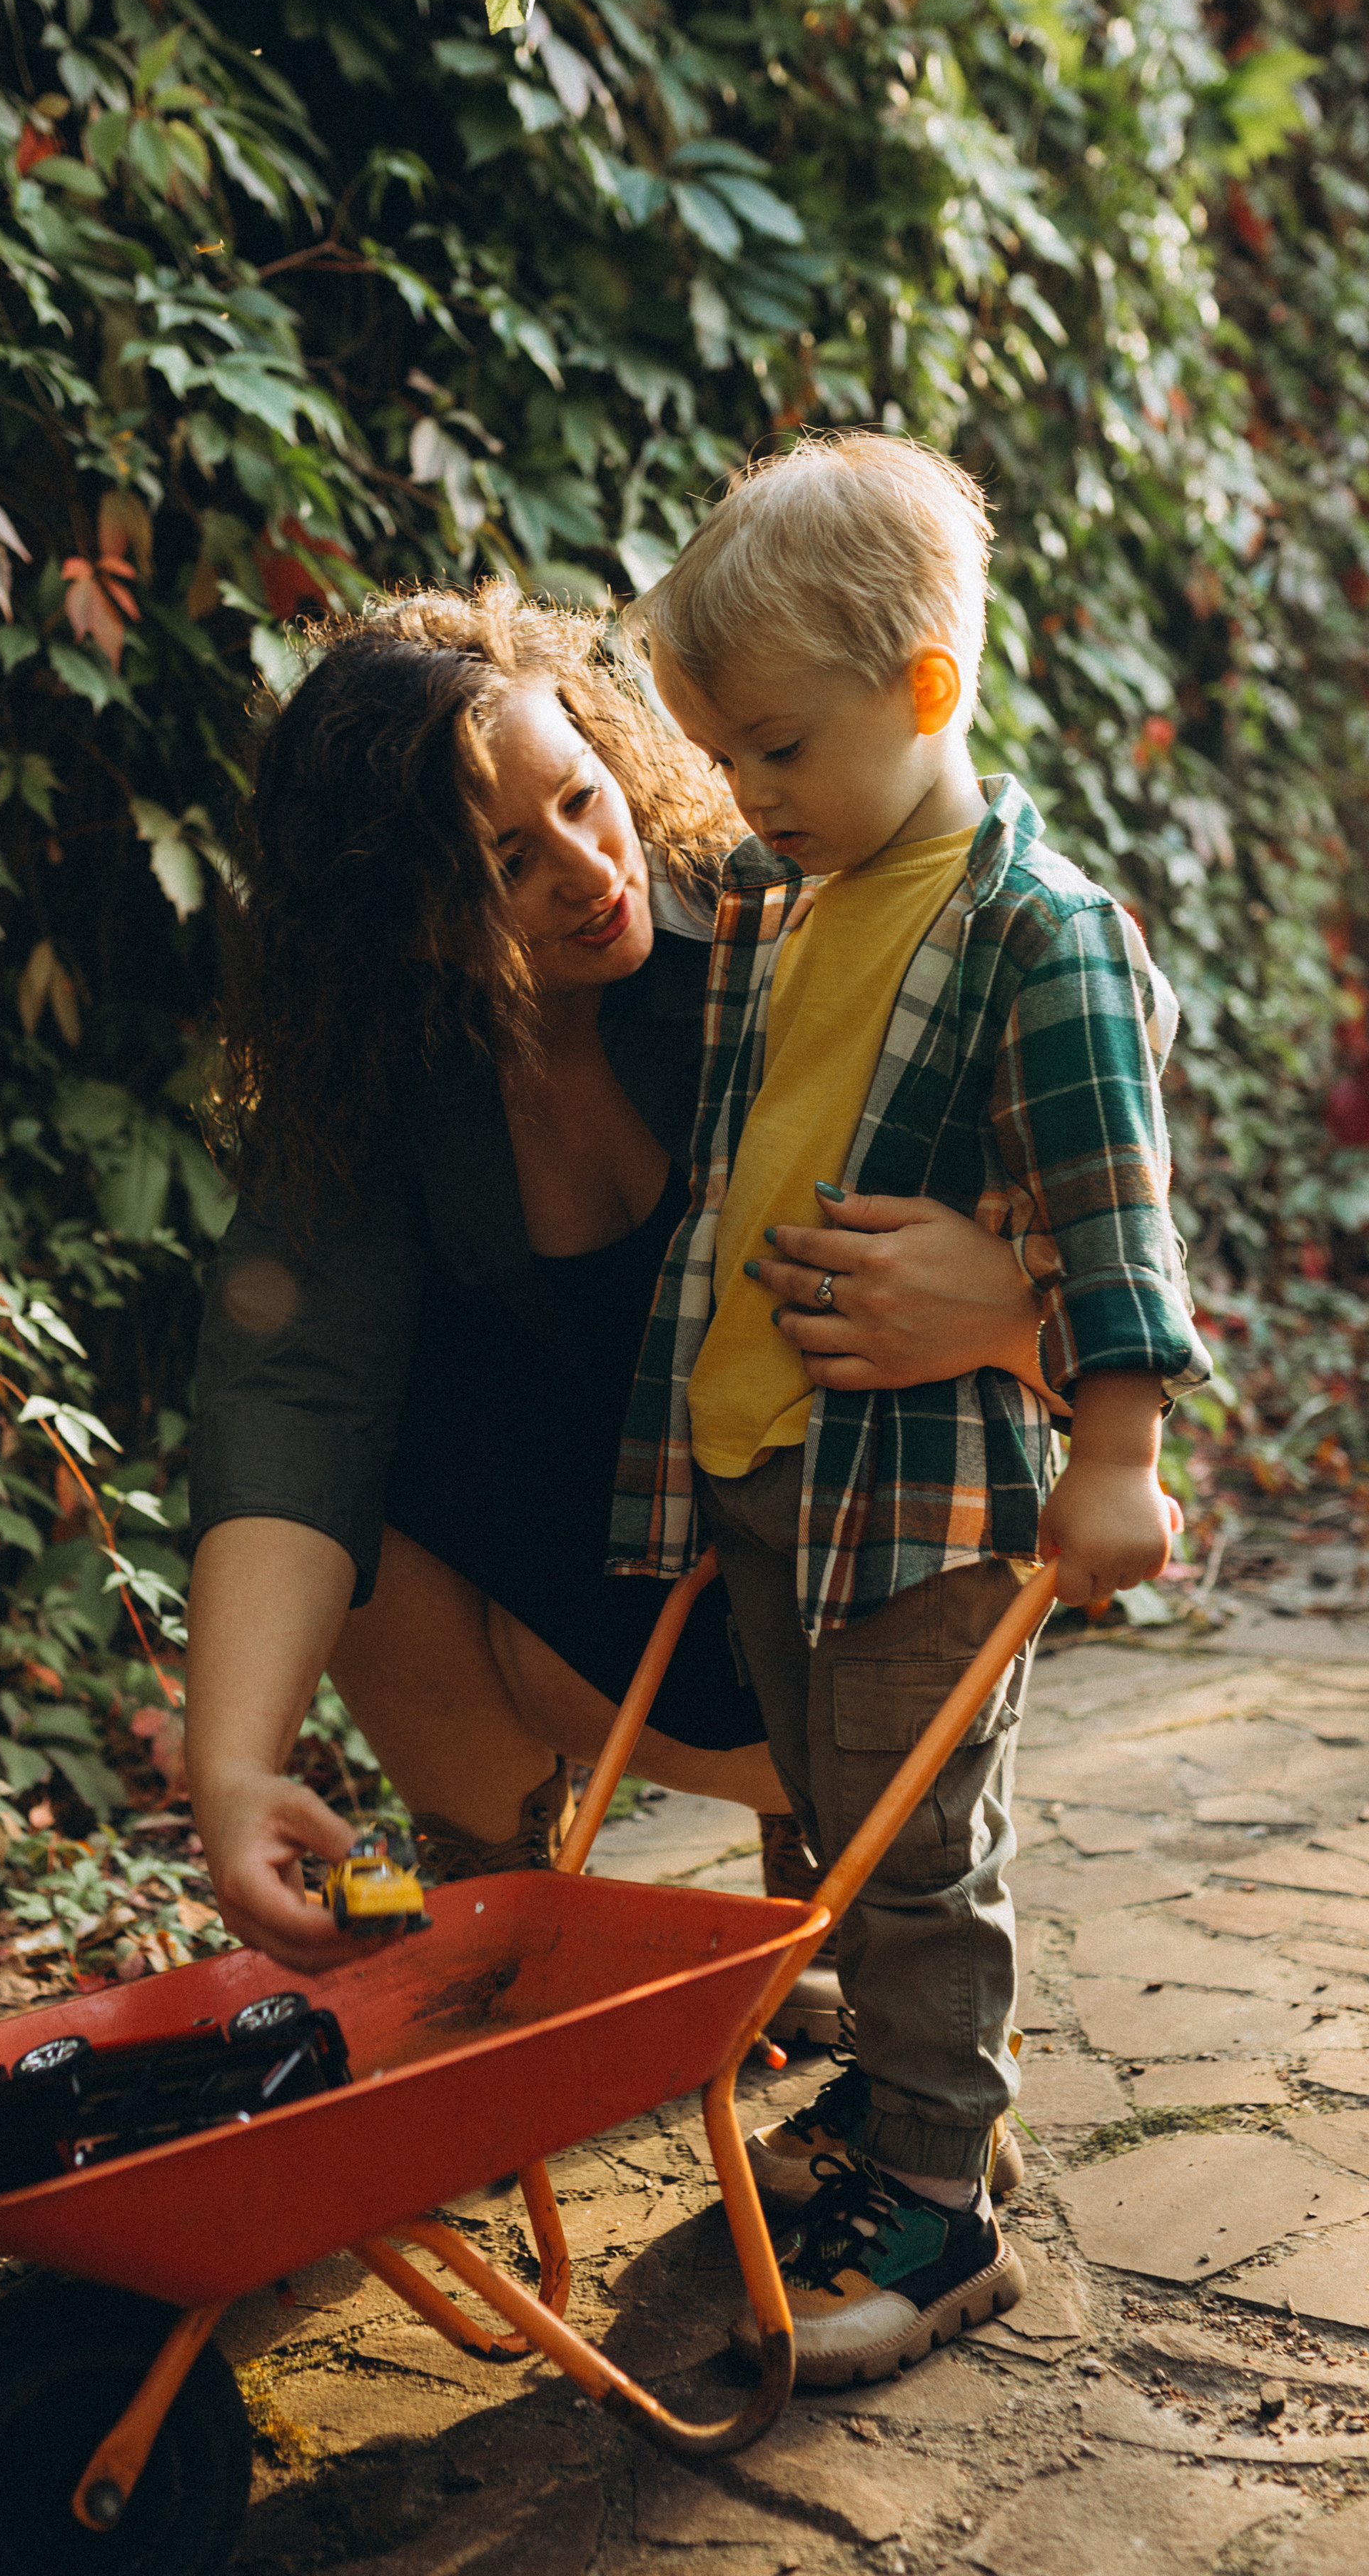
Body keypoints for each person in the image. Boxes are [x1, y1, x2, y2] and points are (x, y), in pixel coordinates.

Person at [183, 584, 1055, 2014]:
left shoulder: (790, 927)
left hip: (858, 1580)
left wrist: (1011, 1310)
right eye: (504, 868)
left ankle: (868, 1941)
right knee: (364, 1470)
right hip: (610, 1605)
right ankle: (498, 1927)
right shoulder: (379, 1076)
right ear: (404, 926)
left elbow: (1100, 1181)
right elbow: (290, 1393)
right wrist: (232, 1771)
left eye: (583, 802)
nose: (588, 875)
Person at [615, 433, 1209, 2388]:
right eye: (727, 757)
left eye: (778, 749)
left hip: (926, 1502)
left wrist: (1115, 1455)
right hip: (776, 1474)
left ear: (926, 691)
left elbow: (1114, 1207)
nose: (747, 797)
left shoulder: (1039, 928)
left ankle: (945, 2222)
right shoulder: (792, 917)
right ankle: (904, 2115)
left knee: (918, 1847)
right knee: (828, 1844)